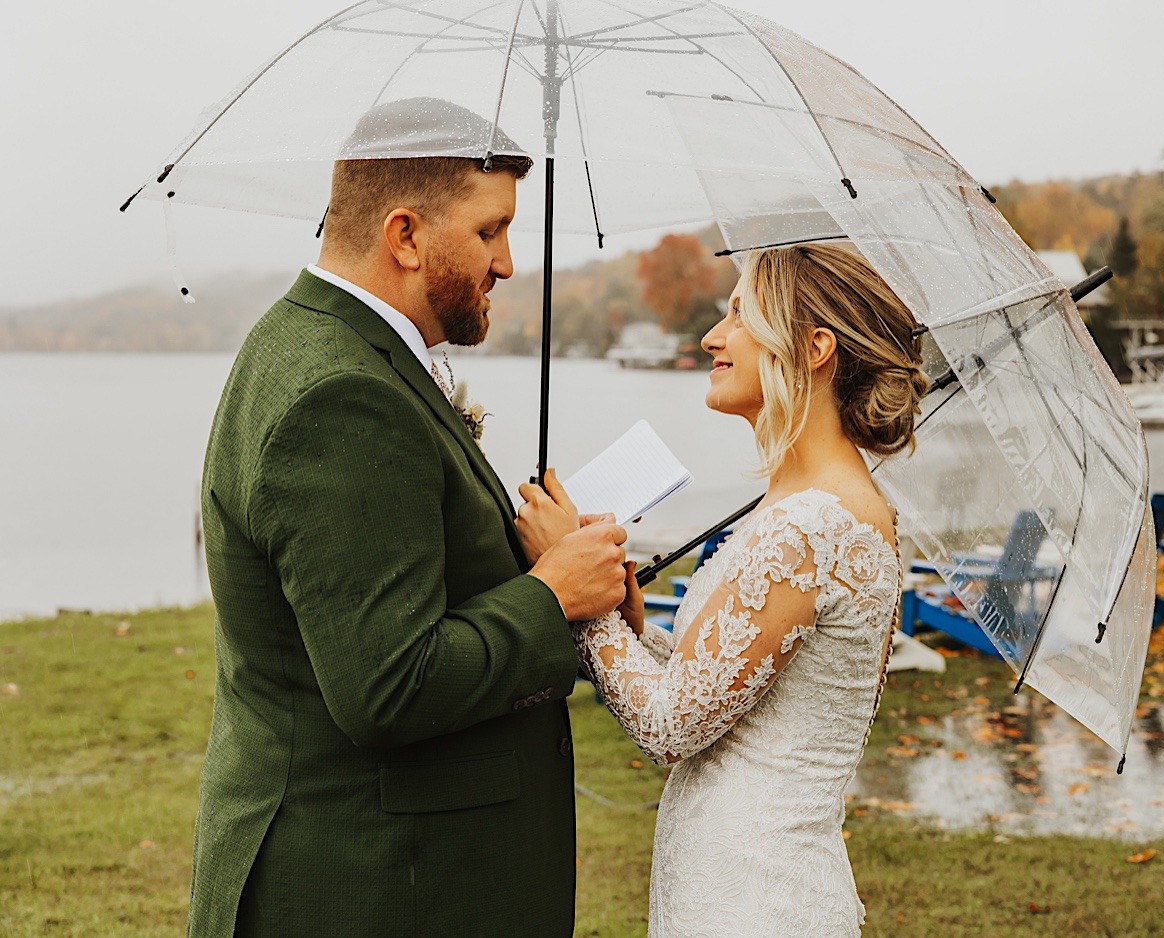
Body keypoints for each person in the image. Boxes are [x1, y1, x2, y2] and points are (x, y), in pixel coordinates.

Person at [190, 98, 628, 937]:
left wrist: (539, 557)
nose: (507, 263)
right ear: (405, 236)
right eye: (491, 231)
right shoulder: (343, 395)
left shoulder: (317, 342)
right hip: (375, 888)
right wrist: (550, 595)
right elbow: (389, 685)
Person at [519, 242, 930, 936]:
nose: (714, 336)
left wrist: (573, 589)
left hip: (756, 900)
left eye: (740, 314)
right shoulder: (818, 505)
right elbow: (737, 689)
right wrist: (634, 627)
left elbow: (672, 725)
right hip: (737, 880)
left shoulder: (811, 527)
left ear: (814, 347)